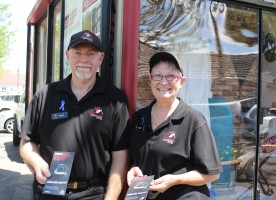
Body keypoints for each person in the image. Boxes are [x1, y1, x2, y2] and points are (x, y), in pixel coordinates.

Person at [19, 30, 130, 200]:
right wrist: (35, 160)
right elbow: (27, 142)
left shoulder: (115, 100)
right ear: (67, 55)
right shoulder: (45, 95)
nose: (84, 59)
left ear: (100, 58)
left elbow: (120, 157)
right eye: (77, 53)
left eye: (90, 54)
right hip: (48, 189)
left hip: (92, 193)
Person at [127, 52, 222, 199]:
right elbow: (141, 159)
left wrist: (176, 179)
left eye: (171, 76)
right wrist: (133, 170)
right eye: (157, 75)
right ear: (150, 80)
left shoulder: (193, 120)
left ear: (182, 81)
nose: (164, 82)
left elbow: (212, 174)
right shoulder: (140, 118)